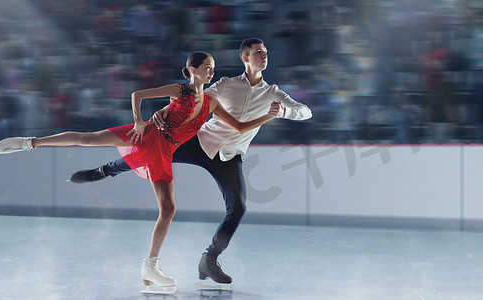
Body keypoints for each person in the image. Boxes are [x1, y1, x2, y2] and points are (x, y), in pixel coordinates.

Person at [0, 51, 282, 294]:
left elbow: (241, 127)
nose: (210, 73)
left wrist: (267, 116)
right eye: (206, 68)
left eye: (213, 69)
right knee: (88, 138)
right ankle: (31, 143)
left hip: (164, 151)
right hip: (146, 135)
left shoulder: (211, 102)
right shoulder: (179, 90)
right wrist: (139, 122)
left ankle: (150, 267)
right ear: (191, 70)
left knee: (168, 209)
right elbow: (138, 94)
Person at [69, 38, 312, 288]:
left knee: (238, 208)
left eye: (266, 52)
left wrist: (284, 112)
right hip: (200, 143)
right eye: (258, 52)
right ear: (245, 58)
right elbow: (194, 98)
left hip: (230, 157)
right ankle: (106, 170)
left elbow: (306, 111)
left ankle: (210, 259)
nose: (264, 55)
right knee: (152, 150)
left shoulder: (274, 93)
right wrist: (166, 109)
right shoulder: (227, 85)